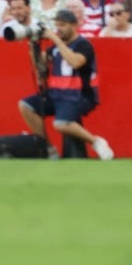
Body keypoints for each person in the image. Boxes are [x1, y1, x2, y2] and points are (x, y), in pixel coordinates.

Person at [16, 10, 112, 160]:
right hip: (56, 94)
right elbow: (39, 64)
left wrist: (56, 40)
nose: (58, 29)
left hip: (79, 95)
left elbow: (75, 62)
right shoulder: (55, 47)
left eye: (62, 25)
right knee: (25, 106)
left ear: (73, 25)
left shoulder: (84, 45)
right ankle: (48, 148)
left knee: (60, 124)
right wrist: (33, 44)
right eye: (57, 25)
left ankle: (96, 142)